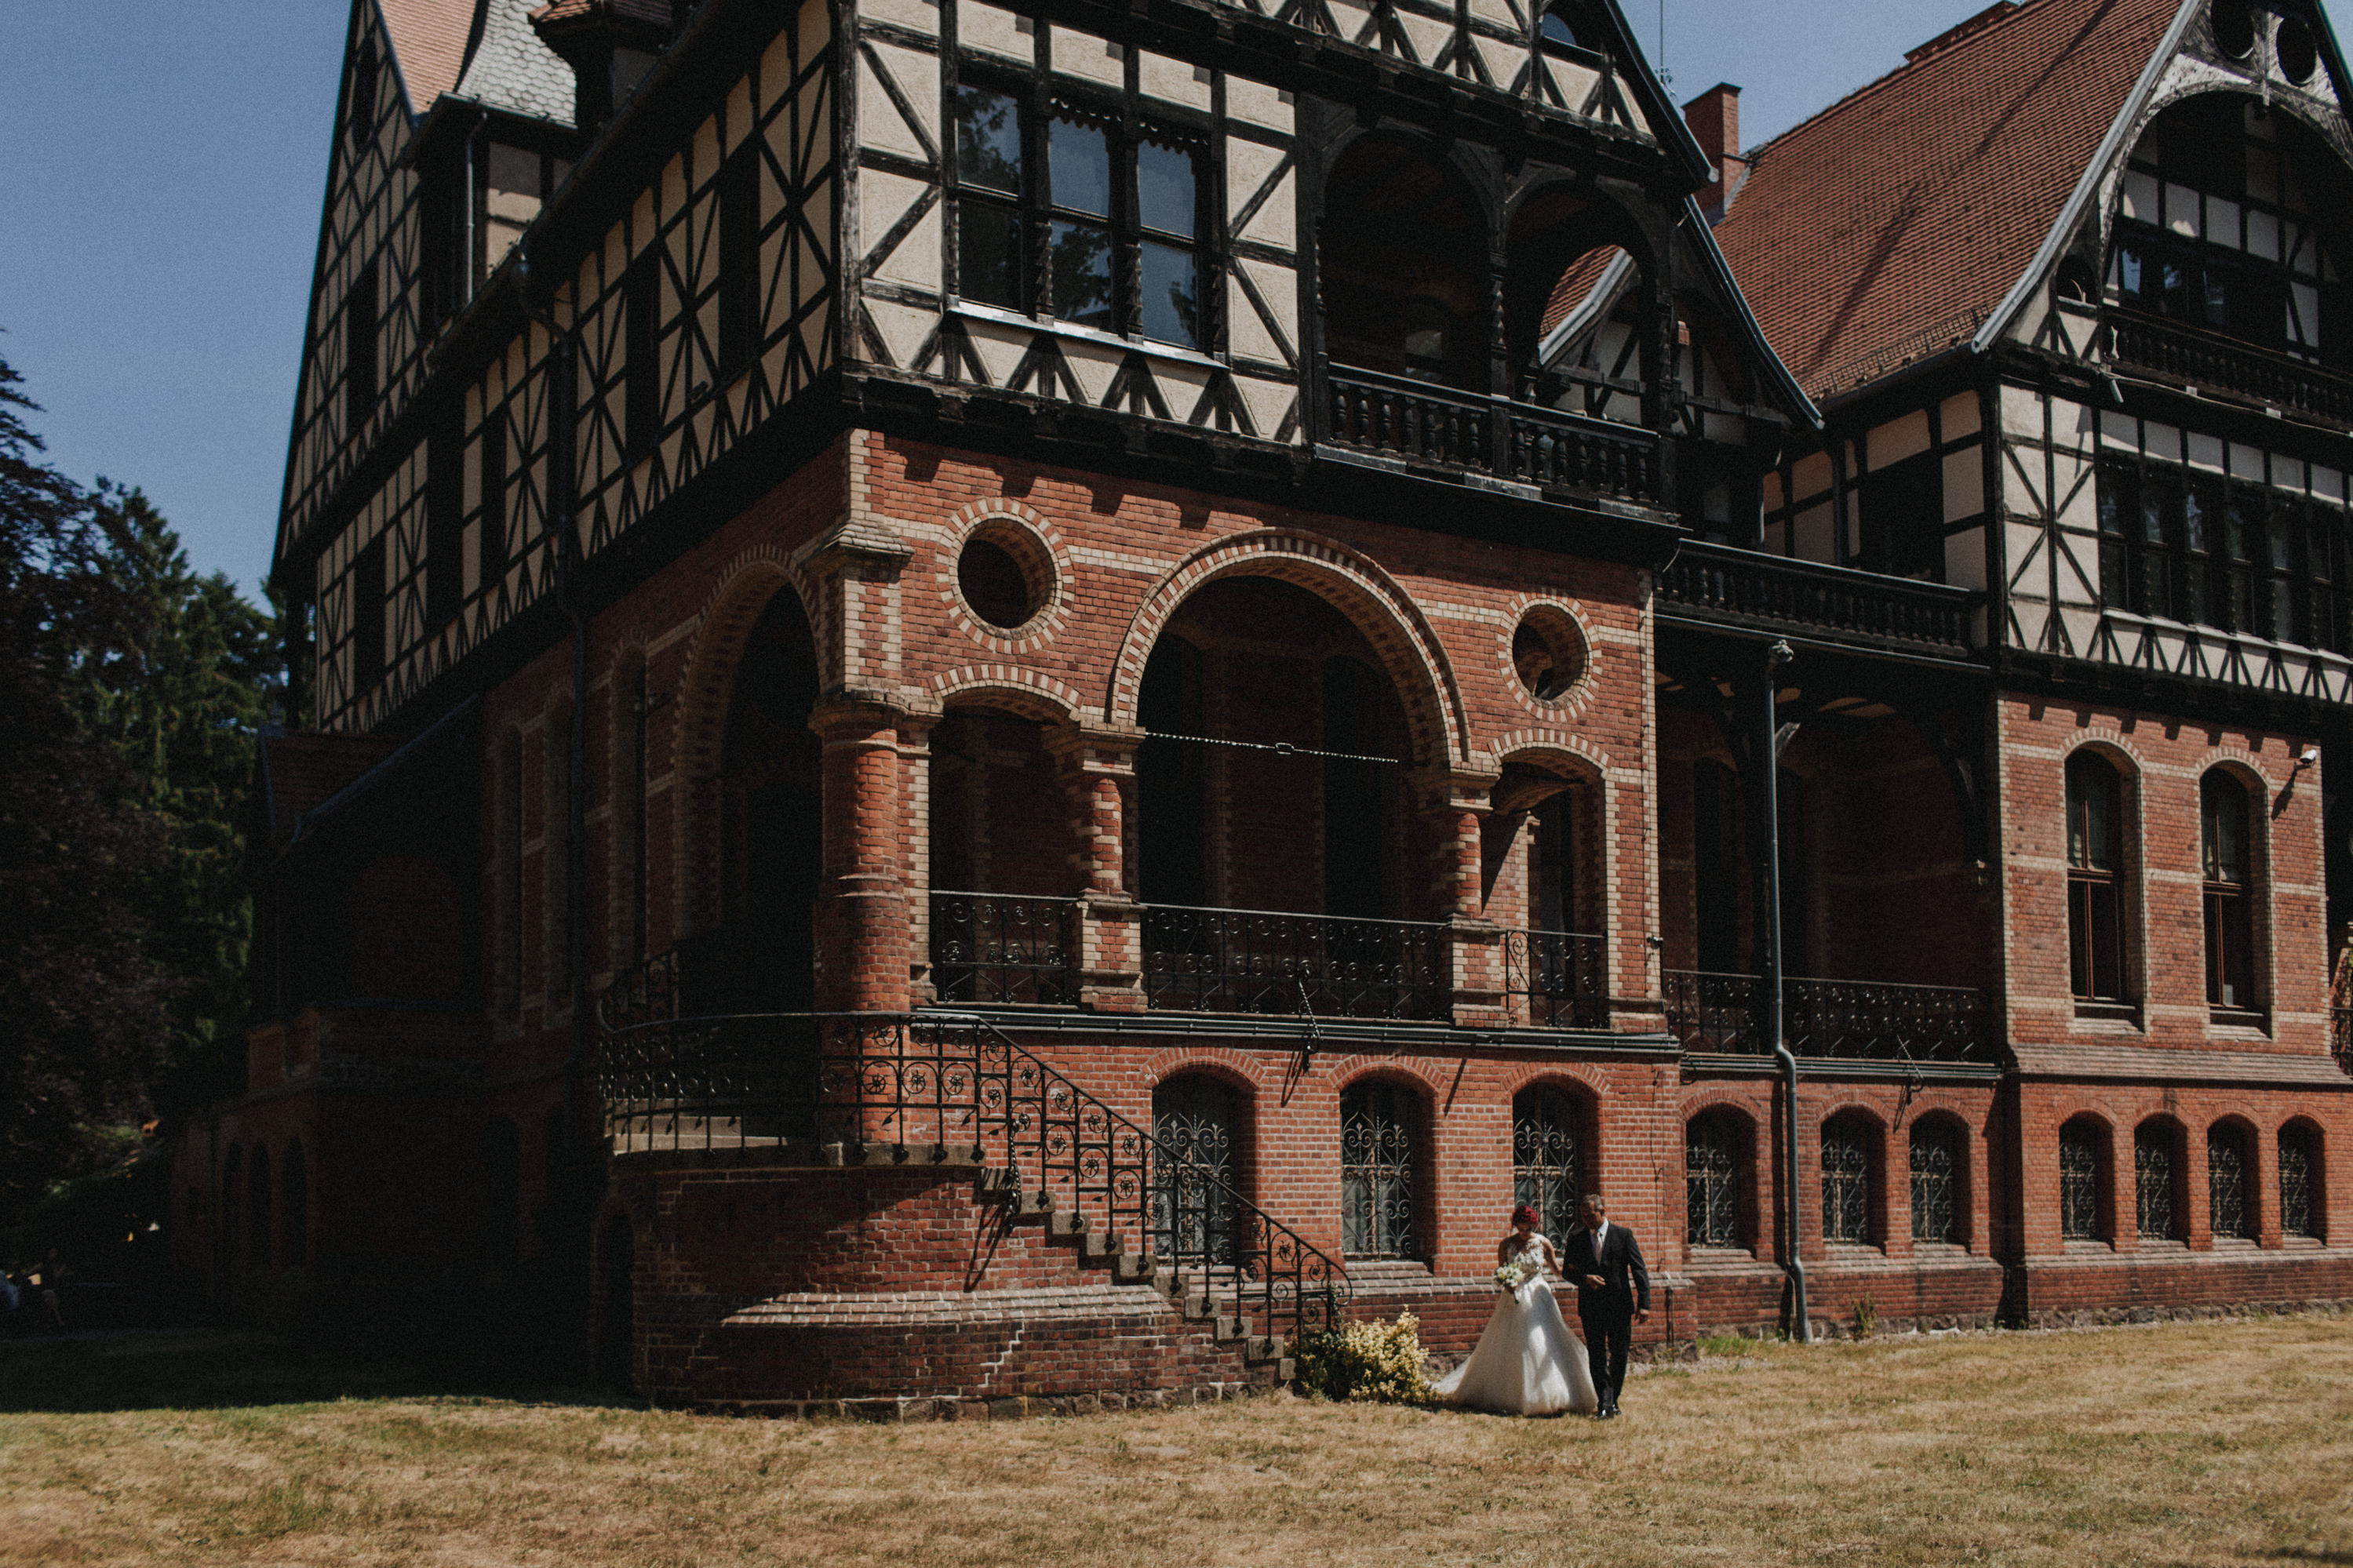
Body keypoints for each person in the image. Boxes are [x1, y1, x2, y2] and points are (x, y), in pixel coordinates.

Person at [1432, 1202, 1600, 1417]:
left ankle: (1550, 1392)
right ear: (1515, 1226)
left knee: (1543, 1340)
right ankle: (1510, 1393)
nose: (1524, 1233)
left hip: (1539, 1295)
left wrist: (1581, 1275)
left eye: (1528, 1229)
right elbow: (1501, 1270)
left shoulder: (1543, 1243)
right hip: (1514, 1297)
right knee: (1512, 1341)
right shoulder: (1506, 1245)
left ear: (1534, 1226)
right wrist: (1507, 1282)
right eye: (1520, 1229)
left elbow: (1557, 1270)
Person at [1563, 1192, 1648, 1419]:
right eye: (1584, 1217)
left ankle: (1613, 1400)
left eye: (1591, 1216)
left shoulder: (1623, 1235)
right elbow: (1567, 1271)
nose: (1588, 1221)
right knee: (1597, 1355)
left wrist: (1644, 1303)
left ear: (1603, 1211)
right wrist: (1585, 1279)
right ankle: (1604, 1402)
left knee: (1619, 1354)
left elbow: (1639, 1269)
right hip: (1591, 1306)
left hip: (1619, 1305)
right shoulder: (1576, 1238)